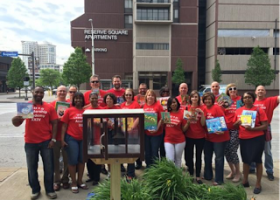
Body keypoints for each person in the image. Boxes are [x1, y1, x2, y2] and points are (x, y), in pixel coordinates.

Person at [12, 86, 58, 200]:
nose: (39, 94)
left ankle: (50, 189)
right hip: (30, 142)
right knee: (32, 167)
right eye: (37, 92)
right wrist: (15, 119)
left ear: (43, 94)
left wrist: (53, 139)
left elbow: (55, 123)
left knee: (49, 167)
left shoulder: (49, 107)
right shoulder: (27, 106)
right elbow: (17, 123)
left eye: (41, 92)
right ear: (33, 92)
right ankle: (35, 190)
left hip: (46, 141)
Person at [233, 92, 268, 194]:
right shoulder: (239, 111)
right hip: (243, 138)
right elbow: (234, 126)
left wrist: (253, 128)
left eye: (249, 97)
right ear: (242, 100)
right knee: (245, 160)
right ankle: (245, 181)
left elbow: (265, 126)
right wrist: (237, 122)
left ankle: (258, 183)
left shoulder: (258, 110)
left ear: (253, 99)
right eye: (245, 98)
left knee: (257, 160)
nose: (247, 99)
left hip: (257, 138)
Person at [250, 85, 280, 181]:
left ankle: (269, 171)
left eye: (262, 90)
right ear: (255, 92)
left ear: (265, 92)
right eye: (258, 90)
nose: (260, 91)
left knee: (267, 151)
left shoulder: (270, 101)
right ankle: (252, 167)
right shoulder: (251, 101)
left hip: (265, 128)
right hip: (254, 128)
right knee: (254, 149)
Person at [61, 92, 88, 193]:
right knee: (72, 161)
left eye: (80, 98)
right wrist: (62, 140)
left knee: (82, 160)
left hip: (83, 139)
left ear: (82, 100)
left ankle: (80, 181)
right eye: (76, 98)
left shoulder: (86, 111)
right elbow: (64, 126)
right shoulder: (69, 111)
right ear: (73, 100)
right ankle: (73, 182)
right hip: (71, 138)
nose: (78, 100)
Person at [202, 92, 230, 185]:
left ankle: (219, 179)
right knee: (207, 157)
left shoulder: (217, 108)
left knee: (218, 158)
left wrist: (222, 130)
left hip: (219, 137)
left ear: (213, 100)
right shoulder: (204, 109)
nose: (207, 101)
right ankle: (208, 175)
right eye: (205, 99)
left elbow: (223, 120)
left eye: (209, 99)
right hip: (208, 137)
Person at [49, 85, 70, 191]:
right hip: (55, 136)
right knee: (55, 160)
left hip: (67, 136)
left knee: (67, 160)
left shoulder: (70, 105)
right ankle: (56, 181)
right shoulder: (51, 105)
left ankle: (65, 179)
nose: (62, 92)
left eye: (64, 91)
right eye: (60, 91)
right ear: (56, 92)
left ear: (66, 93)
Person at [184, 90, 206, 184]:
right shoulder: (187, 108)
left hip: (200, 136)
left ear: (198, 98)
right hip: (189, 135)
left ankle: (198, 176)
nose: (194, 98)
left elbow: (203, 124)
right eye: (192, 97)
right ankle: (190, 173)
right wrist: (188, 120)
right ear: (190, 98)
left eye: (196, 97)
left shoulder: (202, 108)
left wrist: (202, 114)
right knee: (189, 156)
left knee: (198, 156)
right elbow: (185, 124)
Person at [120, 88, 141, 181]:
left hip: (133, 132)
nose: (128, 96)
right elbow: (119, 117)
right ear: (124, 96)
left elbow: (139, 117)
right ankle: (126, 172)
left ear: (133, 96)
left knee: (131, 153)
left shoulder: (136, 104)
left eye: (130, 95)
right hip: (123, 131)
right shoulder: (122, 105)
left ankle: (131, 174)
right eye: (126, 95)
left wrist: (132, 127)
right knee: (124, 152)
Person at [223, 83, 242, 182]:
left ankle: (238, 172)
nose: (233, 90)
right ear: (228, 91)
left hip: (236, 129)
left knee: (233, 151)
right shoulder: (226, 100)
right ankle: (232, 170)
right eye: (230, 89)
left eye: (235, 88)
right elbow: (221, 112)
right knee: (226, 151)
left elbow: (246, 111)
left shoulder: (240, 100)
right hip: (226, 129)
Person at [163, 97, 188, 168]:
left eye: (174, 102)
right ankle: (170, 177)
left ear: (177, 103)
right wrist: (161, 122)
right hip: (168, 139)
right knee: (170, 160)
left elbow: (183, 129)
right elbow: (164, 127)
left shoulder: (182, 113)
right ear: (169, 105)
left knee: (178, 159)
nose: (173, 104)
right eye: (171, 103)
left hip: (179, 140)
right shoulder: (166, 113)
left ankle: (177, 177)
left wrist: (188, 123)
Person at [143, 89, 163, 168]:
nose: (150, 97)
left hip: (157, 134)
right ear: (146, 97)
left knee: (154, 152)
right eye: (148, 95)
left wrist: (157, 129)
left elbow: (162, 119)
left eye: (152, 95)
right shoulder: (143, 106)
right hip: (146, 133)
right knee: (147, 152)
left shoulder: (158, 105)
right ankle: (148, 168)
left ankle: (155, 169)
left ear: (155, 97)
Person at [85, 92, 102, 186]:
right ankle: (91, 176)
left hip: (98, 136)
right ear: (89, 99)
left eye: (96, 98)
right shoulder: (86, 110)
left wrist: (97, 123)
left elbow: (105, 122)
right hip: (88, 136)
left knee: (97, 158)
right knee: (89, 158)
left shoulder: (101, 110)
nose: (94, 100)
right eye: (92, 98)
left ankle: (96, 177)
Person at [134, 83, 148, 169]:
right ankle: (138, 163)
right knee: (137, 145)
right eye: (141, 88)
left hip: (147, 125)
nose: (142, 90)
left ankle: (147, 163)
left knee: (146, 146)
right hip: (136, 127)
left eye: (144, 88)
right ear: (138, 89)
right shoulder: (135, 98)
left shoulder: (150, 97)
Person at [158, 86, 170, 159]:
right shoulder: (158, 101)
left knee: (166, 147)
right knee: (161, 146)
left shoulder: (171, 100)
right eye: (164, 92)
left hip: (168, 127)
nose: (165, 93)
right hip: (160, 127)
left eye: (167, 92)